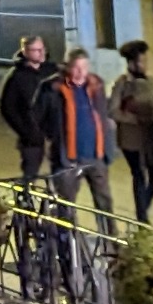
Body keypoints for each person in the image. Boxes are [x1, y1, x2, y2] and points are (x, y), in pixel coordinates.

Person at [42, 48, 118, 229]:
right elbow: (39, 117)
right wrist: (52, 138)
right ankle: (68, 245)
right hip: (68, 158)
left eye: (84, 67)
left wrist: (108, 147)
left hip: (96, 155)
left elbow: (102, 115)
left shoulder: (95, 86)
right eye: (76, 67)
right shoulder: (53, 88)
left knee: (104, 202)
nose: (80, 72)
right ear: (68, 67)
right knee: (66, 204)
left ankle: (111, 244)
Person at [111, 39, 153, 220]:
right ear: (132, 63)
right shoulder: (123, 83)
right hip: (131, 138)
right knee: (139, 175)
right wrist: (133, 119)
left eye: (146, 60)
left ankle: (143, 208)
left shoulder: (152, 81)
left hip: (150, 136)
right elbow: (112, 110)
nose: (145, 65)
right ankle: (142, 217)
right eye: (141, 61)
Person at [0, 34, 57, 189]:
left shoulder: (52, 71)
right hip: (32, 137)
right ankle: (24, 207)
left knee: (62, 177)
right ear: (25, 52)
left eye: (42, 49)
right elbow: (8, 108)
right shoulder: (16, 77)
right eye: (36, 50)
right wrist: (26, 131)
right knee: (29, 176)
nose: (41, 53)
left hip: (55, 134)